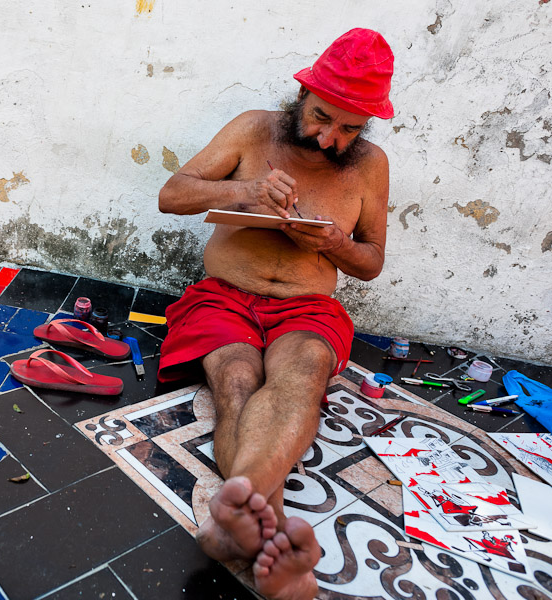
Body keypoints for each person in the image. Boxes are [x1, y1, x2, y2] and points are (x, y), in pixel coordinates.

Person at [156, 29, 395, 600]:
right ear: (302, 94)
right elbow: (171, 194)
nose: (330, 137)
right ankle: (267, 530)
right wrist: (247, 194)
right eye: (321, 117)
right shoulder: (251, 128)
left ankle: (233, 521)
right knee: (237, 381)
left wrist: (334, 243)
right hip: (224, 297)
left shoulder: (370, 166)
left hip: (307, 307)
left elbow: (372, 262)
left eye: (349, 128)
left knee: (301, 376)